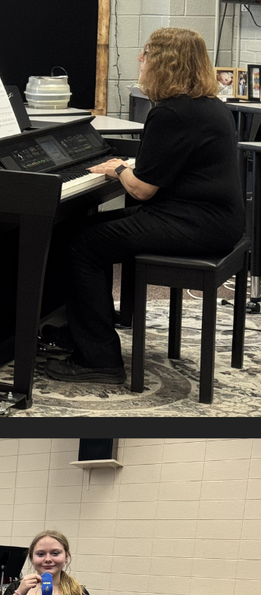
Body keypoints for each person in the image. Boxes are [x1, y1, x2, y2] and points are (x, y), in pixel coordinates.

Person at [45, 27, 245, 384]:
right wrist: (126, 170)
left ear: (165, 62)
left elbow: (141, 191)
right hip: (212, 218)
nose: (141, 60)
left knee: (83, 245)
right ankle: (83, 332)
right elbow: (168, 168)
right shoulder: (208, 105)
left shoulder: (172, 113)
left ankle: (100, 360)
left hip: (195, 224)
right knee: (83, 232)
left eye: (147, 54)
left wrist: (119, 168)